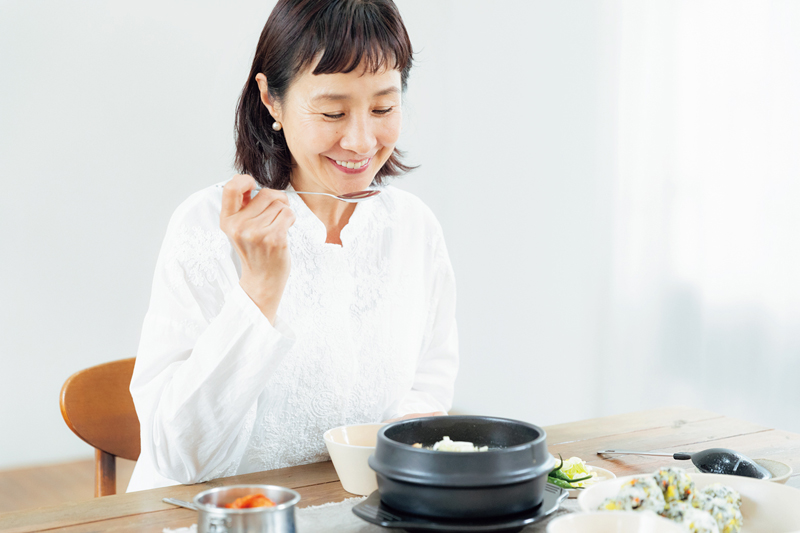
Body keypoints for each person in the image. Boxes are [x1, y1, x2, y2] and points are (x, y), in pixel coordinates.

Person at [128, 0, 458, 492]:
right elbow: (179, 457)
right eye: (332, 111)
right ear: (271, 100)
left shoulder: (414, 228)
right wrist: (259, 289)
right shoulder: (206, 226)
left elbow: (426, 394)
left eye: (384, 107)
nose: (362, 140)